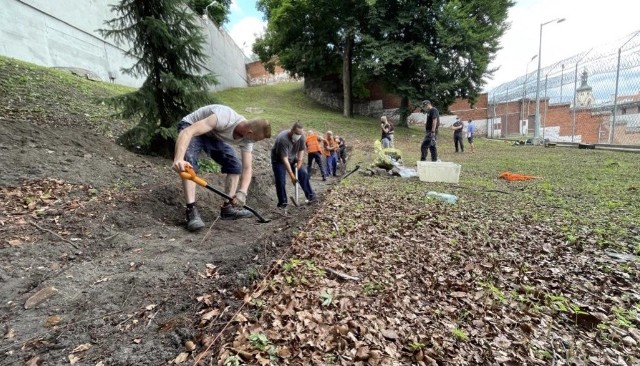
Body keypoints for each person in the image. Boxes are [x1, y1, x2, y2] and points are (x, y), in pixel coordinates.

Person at [172, 104, 272, 232]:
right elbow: (187, 132)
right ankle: (191, 210)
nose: (255, 142)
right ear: (249, 133)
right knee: (189, 162)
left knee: (235, 166)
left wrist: (242, 192)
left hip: (212, 135)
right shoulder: (224, 117)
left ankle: (227, 209)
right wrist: (179, 158)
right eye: (256, 139)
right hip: (191, 126)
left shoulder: (247, 140)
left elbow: (247, 168)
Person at [271, 122, 316, 210]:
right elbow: (284, 159)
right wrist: (292, 175)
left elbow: (301, 150)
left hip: (292, 158)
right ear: (292, 131)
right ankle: (282, 203)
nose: (299, 136)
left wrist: (299, 163)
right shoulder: (282, 139)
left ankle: (311, 196)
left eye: (300, 134)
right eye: (297, 134)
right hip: (279, 160)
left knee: (303, 173)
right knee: (280, 180)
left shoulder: (301, 136)